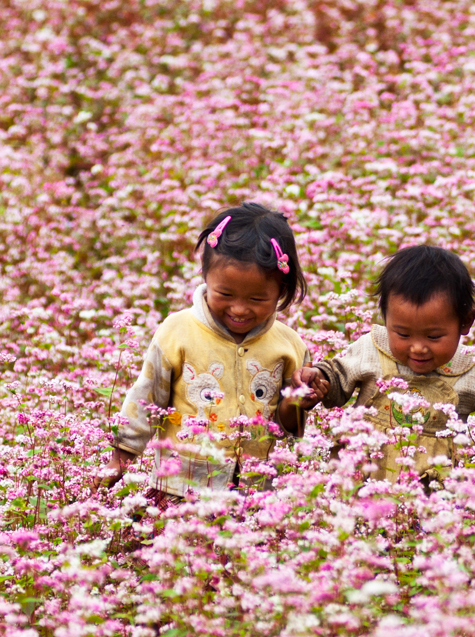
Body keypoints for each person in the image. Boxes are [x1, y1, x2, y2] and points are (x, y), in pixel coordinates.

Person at [110, 202, 323, 496]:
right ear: (205, 277)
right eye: (225, 293)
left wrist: (299, 400)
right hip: (181, 487)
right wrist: (120, 459)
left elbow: (286, 426)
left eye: (258, 299)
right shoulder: (177, 331)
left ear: (282, 290)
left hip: (257, 493)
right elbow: (146, 398)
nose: (239, 309)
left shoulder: (289, 345)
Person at [305, 245, 475, 480]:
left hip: (431, 493)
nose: (418, 347)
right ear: (385, 318)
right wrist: (318, 380)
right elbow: (338, 375)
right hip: (360, 478)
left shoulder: (470, 367)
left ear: (465, 322)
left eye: (433, 336)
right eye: (403, 334)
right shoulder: (372, 346)